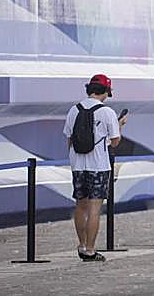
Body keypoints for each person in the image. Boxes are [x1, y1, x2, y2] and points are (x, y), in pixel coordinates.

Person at [63, 73, 122, 262]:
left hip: (78, 166)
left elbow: (69, 140)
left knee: (80, 206)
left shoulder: (74, 110)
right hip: (98, 166)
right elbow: (114, 142)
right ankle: (90, 250)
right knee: (95, 209)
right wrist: (119, 126)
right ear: (105, 91)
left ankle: (81, 245)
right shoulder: (107, 113)